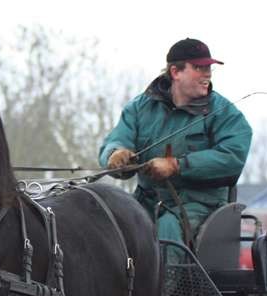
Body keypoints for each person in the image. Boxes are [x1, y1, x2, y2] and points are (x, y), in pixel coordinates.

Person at [99, 38, 252, 262]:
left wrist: (177, 166)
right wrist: (115, 155)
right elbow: (115, 141)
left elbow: (232, 157)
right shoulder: (139, 108)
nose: (207, 74)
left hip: (200, 204)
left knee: (168, 228)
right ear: (175, 72)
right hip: (147, 201)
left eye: (208, 68)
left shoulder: (225, 113)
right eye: (199, 67)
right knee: (105, 225)